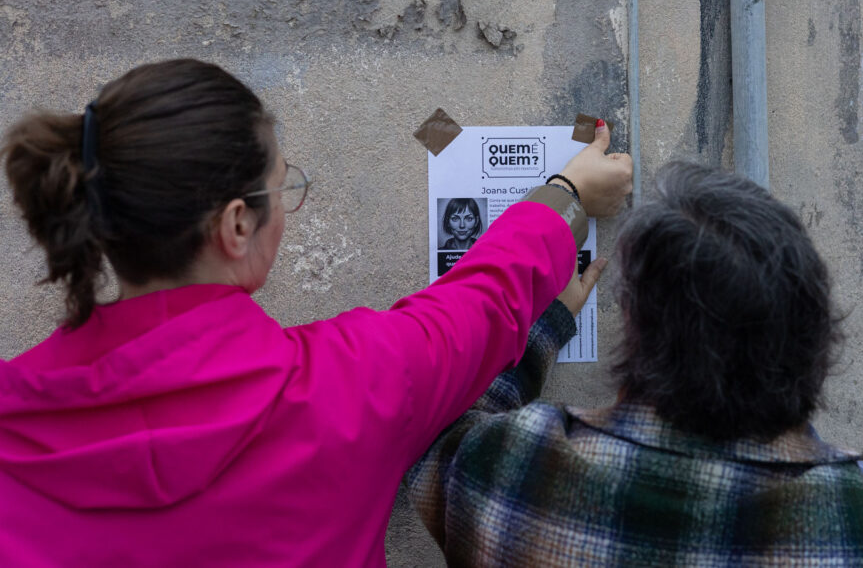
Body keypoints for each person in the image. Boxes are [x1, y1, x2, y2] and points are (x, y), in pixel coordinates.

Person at [0, 59, 633, 567]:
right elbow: (484, 301)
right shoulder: (347, 385)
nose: (286, 204)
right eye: (283, 187)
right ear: (237, 225)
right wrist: (570, 194)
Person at [407, 161, 863, 567]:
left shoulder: (514, 471)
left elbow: (425, 419)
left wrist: (542, 325)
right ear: (812, 331)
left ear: (636, 325)